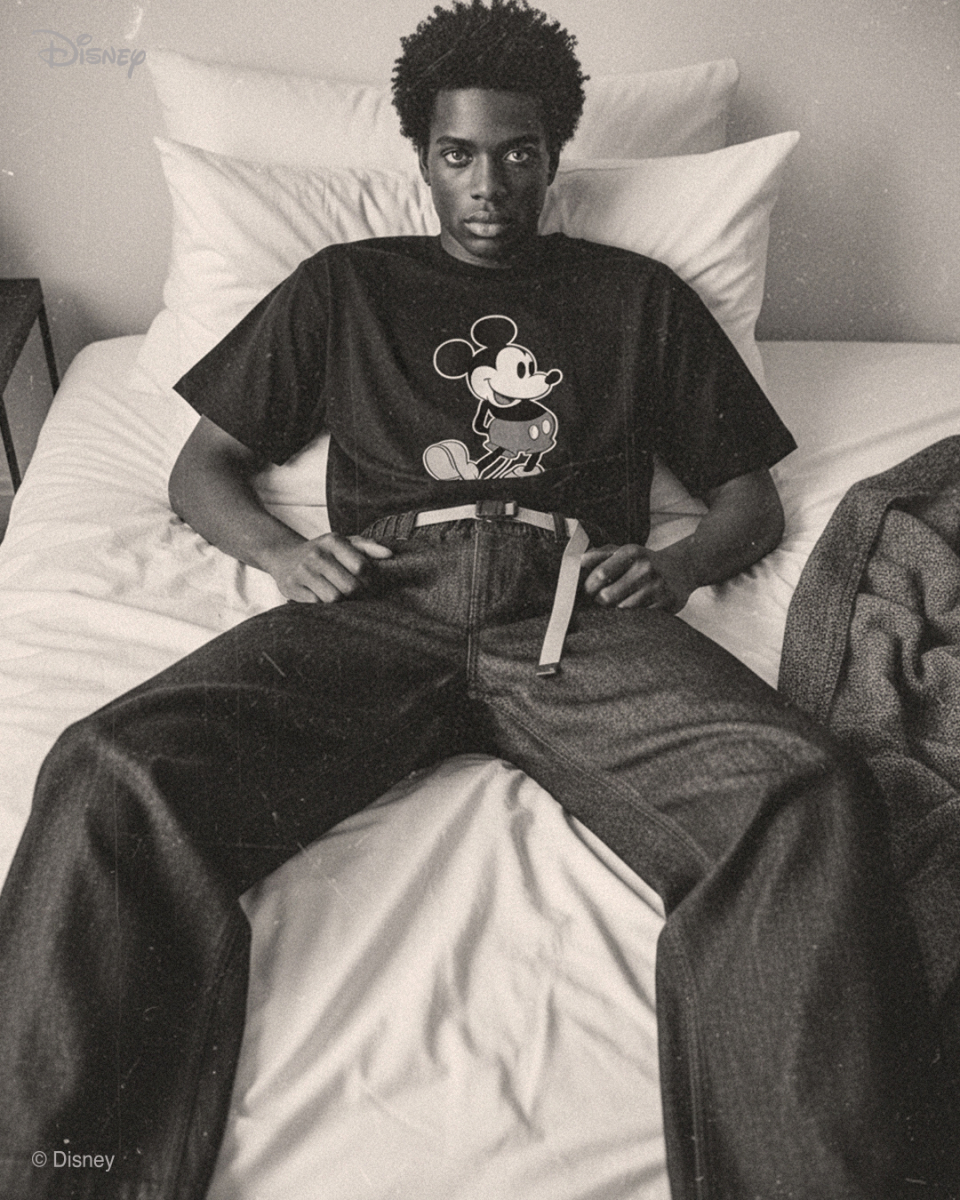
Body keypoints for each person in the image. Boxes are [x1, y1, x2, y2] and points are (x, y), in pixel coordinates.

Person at [0, 2, 942, 1197]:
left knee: (803, 790)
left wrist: (681, 565)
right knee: (109, 768)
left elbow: (747, 497)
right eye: (459, 154)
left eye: (516, 153)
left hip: (573, 606)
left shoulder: (637, 298)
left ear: (552, 155)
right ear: (423, 157)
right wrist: (283, 558)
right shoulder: (345, 286)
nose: (489, 184)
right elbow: (202, 471)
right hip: (381, 593)